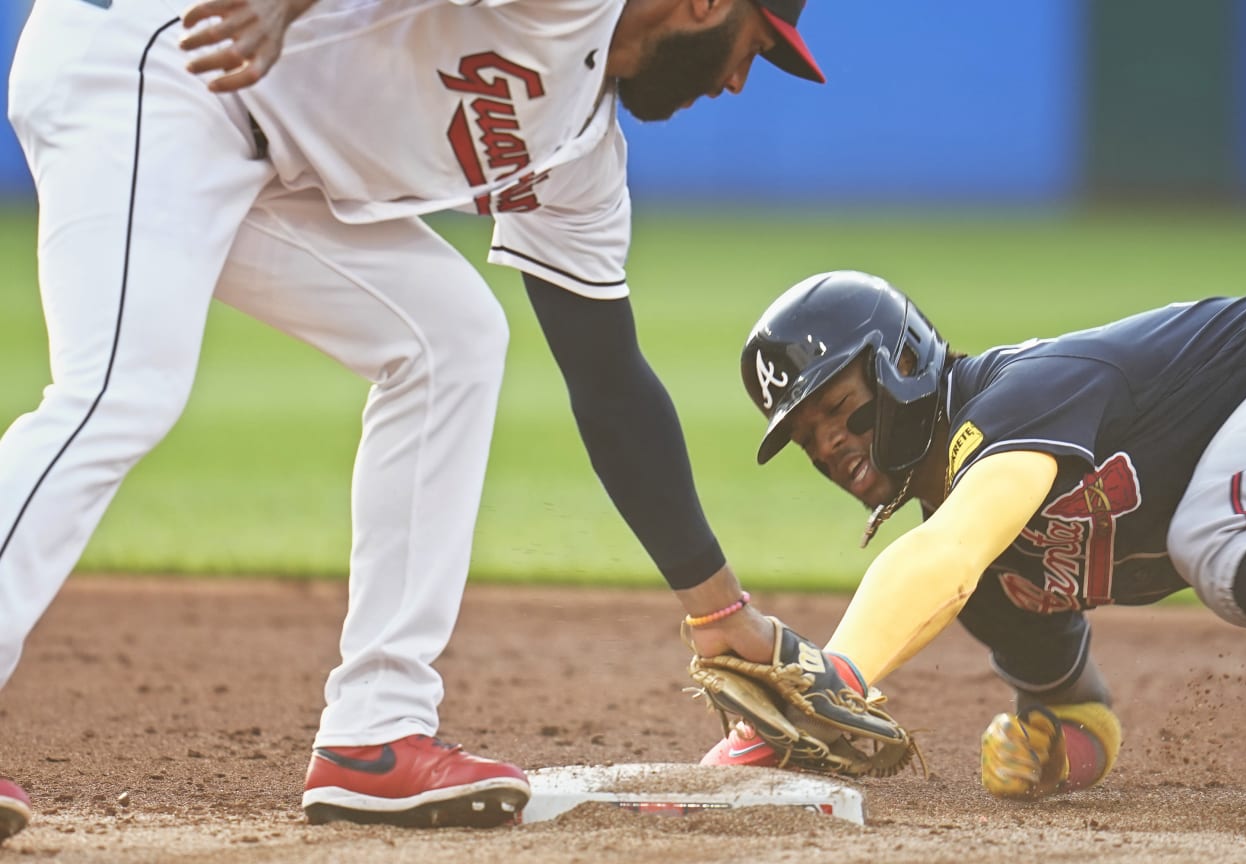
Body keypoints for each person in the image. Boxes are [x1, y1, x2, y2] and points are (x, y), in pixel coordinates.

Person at [0, 0, 817, 839]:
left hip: (251, 145)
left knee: (450, 338)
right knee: (122, 387)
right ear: (707, 5)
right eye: (754, 48)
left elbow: (609, 386)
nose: (737, 81)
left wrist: (722, 618)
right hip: (159, 55)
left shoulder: (581, 161)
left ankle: (374, 733)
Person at [706, 269, 1246, 812]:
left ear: (904, 364)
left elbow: (951, 553)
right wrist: (1053, 746)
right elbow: (1078, 717)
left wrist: (832, 674)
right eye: (805, 436)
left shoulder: (1014, 400)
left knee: (1219, 527)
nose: (829, 445)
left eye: (837, 407)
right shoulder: (993, 563)